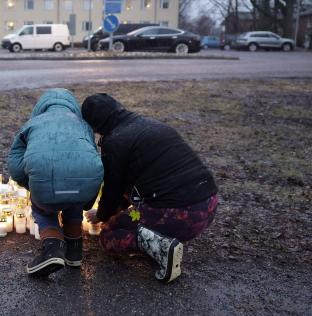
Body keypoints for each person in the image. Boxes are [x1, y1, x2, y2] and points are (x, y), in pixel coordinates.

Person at [81, 93, 218, 283]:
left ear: (95, 126)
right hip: (209, 204)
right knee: (132, 213)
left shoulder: (115, 141)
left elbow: (112, 190)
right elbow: (125, 186)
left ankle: (161, 247)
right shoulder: (147, 124)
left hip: (179, 214)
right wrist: (119, 209)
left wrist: (103, 215)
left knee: (108, 235)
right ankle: (155, 237)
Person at [8, 89, 104, 277]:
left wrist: (33, 186)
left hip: (46, 193)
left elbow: (15, 165)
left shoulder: (32, 124)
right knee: (73, 197)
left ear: (41, 107)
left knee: (42, 208)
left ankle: (53, 248)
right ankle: (74, 250)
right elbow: (91, 157)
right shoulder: (84, 125)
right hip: (83, 192)